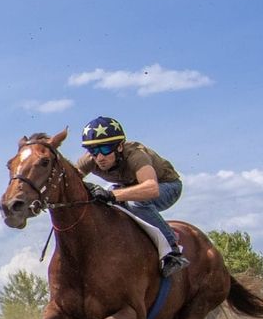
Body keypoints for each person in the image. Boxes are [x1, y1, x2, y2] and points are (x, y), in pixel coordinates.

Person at [76, 116, 190, 278]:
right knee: (102, 204)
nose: (100, 157)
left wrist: (112, 194)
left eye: (106, 149)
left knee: (135, 202)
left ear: (120, 146)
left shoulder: (136, 155)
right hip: (129, 187)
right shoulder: (90, 160)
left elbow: (151, 188)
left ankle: (173, 251)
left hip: (167, 186)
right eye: (93, 150)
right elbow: (69, 183)